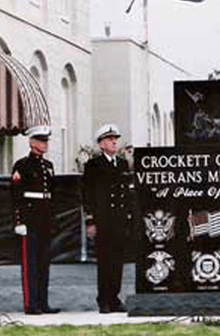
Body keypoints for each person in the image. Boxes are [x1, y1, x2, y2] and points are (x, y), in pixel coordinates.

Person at [11, 125, 60, 315]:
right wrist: (18, 221)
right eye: (41, 140)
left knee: (43, 263)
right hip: (30, 219)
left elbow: (52, 194)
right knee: (30, 263)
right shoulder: (22, 165)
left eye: (46, 141)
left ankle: (43, 302)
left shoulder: (48, 166)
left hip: (45, 219)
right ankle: (31, 304)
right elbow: (16, 195)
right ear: (32, 143)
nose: (45, 144)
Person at [83, 124, 131, 314]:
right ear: (102, 144)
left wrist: (127, 218)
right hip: (103, 220)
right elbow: (87, 194)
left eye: (115, 139)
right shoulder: (93, 166)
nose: (114, 142)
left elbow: (125, 193)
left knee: (117, 260)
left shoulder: (122, 164)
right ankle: (103, 299)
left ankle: (114, 298)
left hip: (118, 220)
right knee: (104, 261)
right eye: (110, 139)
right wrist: (90, 220)